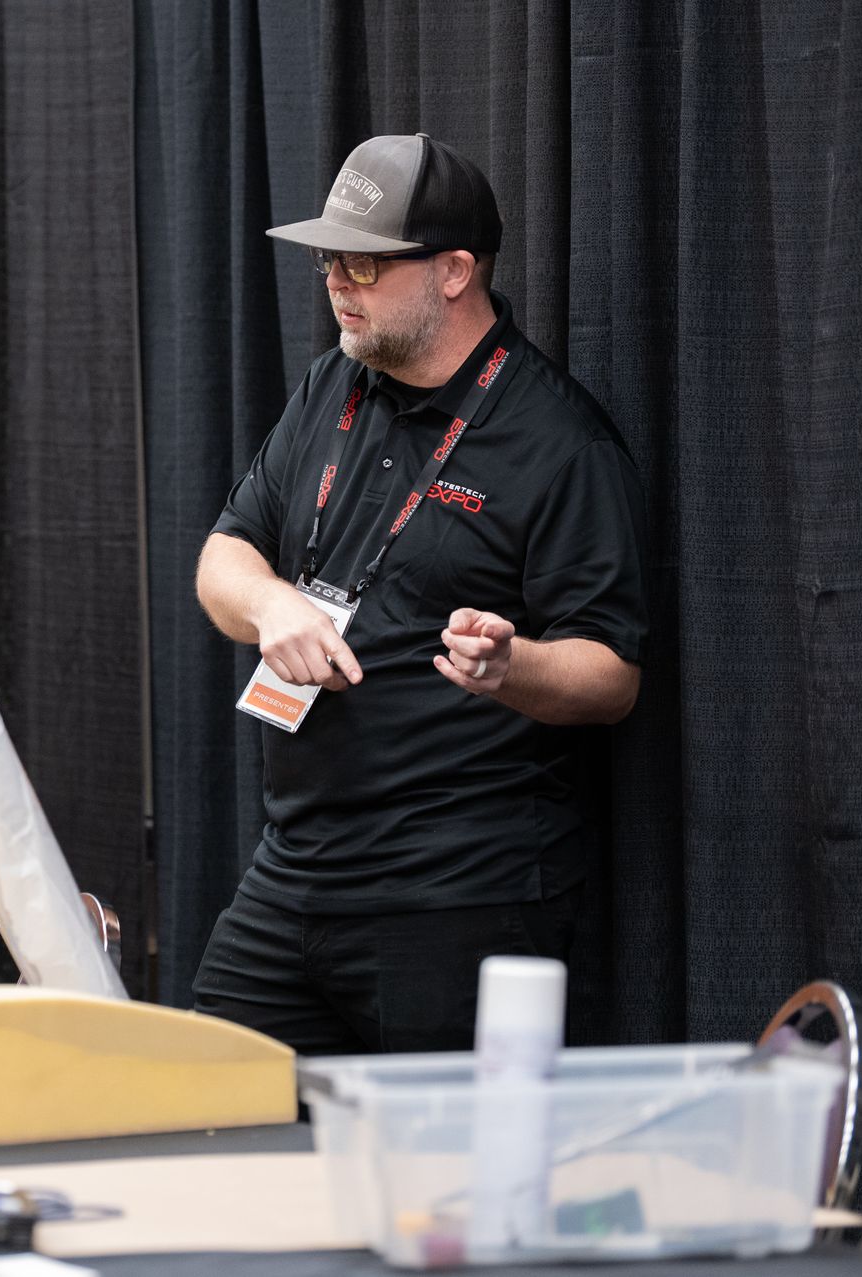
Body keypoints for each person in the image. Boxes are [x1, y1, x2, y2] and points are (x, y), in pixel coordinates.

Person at [192, 134, 647, 1053]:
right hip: (295, 871)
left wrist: (513, 665)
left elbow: (613, 674)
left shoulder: (558, 441)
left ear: (453, 271)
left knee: (433, 1191)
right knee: (210, 1119)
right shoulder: (333, 386)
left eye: (362, 261)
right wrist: (276, 605)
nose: (336, 283)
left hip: (456, 898)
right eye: (327, 259)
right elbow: (224, 555)